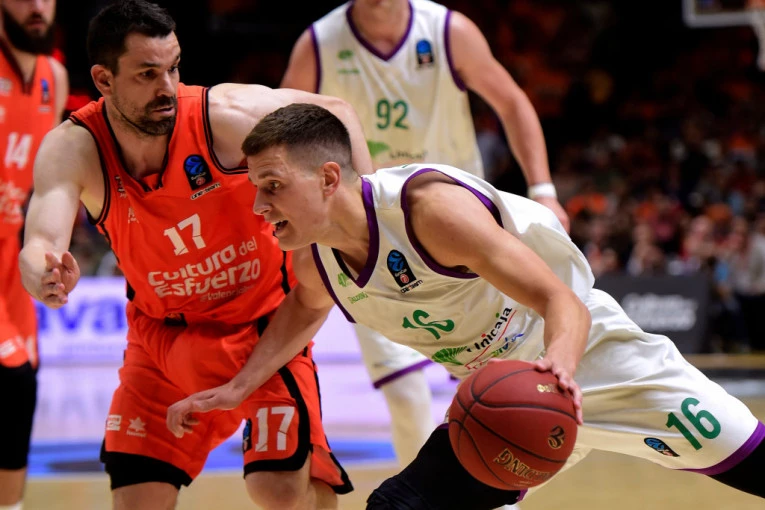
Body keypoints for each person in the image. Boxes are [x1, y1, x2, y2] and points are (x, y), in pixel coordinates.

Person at [167, 104, 765, 510]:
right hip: (500, 403)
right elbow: (303, 308)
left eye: (272, 186)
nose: (259, 207)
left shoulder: (428, 212)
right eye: (256, 189)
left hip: (592, 358)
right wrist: (237, 387)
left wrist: (554, 375)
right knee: (398, 506)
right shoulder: (315, 261)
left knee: (750, 459)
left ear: (328, 177)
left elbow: (562, 300)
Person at [18, 2, 374, 509]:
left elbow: (337, 113)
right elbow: (40, 243)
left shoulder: (222, 117)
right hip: (159, 343)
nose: (166, 87)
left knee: (278, 491)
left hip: (261, 332)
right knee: (137, 501)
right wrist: (44, 273)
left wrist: (370, 216)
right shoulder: (74, 147)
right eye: (147, 74)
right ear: (103, 79)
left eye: (173, 67)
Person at [280, 0, 569, 470]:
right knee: (405, 390)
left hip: (455, 226)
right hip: (368, 234)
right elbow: (278, 133)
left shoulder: (448, 30)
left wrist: (543, 189)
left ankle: (494, 492)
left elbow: (512, 101)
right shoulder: (319, 43)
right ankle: (426, 497)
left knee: (499, 387)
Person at [0, 0, 67, 508]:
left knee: (21, 395)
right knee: (13, 382)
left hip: (13, 256)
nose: (37, 6)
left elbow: (51, 181)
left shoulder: (54, 77)